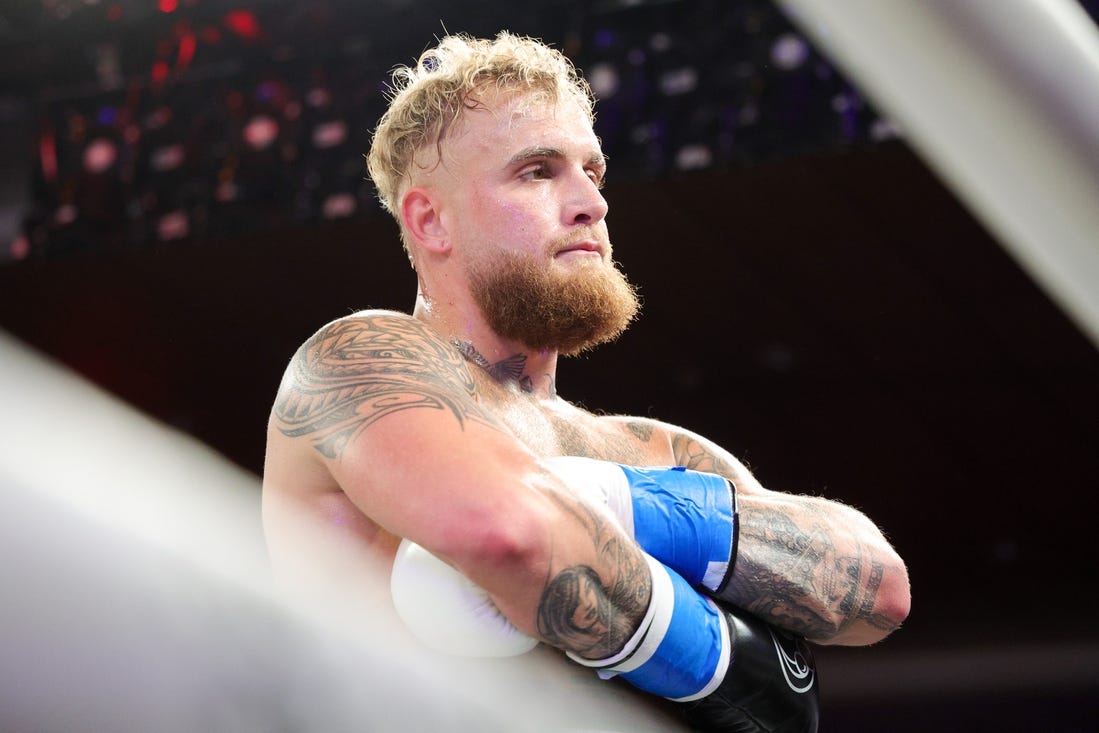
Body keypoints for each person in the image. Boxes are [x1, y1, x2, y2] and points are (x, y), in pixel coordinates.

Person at [262, 31, 910, 731]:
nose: (589, 204)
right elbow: (502, 533)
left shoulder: (651, 449)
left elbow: (875, 586)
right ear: (430, 219)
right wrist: (722, 656)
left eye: (591, 172)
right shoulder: (359, 361)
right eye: (537, 171)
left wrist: (603, 502)